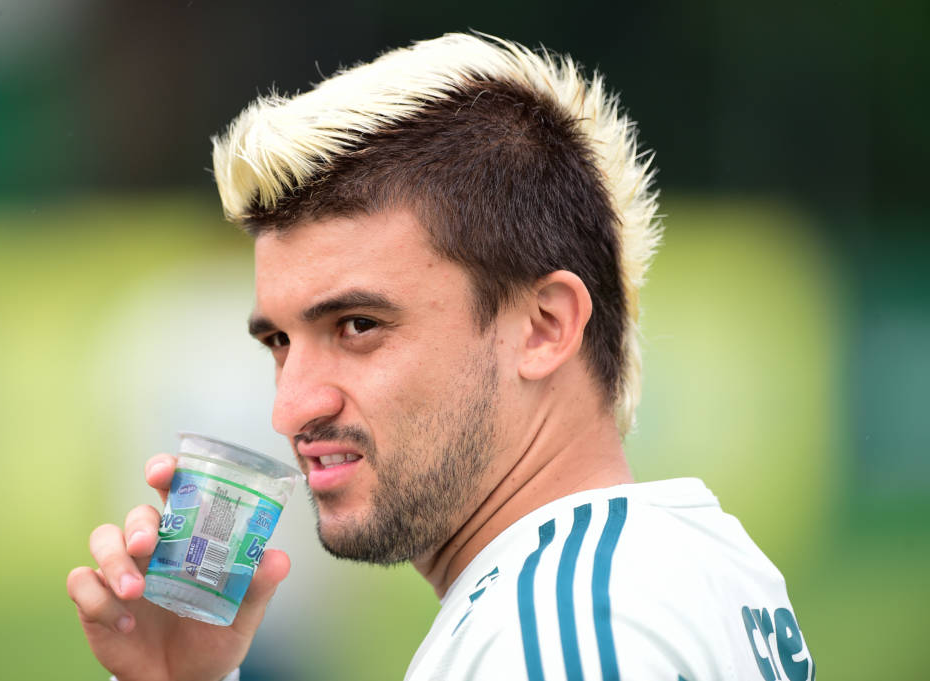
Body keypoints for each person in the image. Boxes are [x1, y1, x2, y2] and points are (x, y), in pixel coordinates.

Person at [67, 33, 815, 681]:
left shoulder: (559, 635)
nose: (289, 409)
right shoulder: (665, 566)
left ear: (543, 327)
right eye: (280, 342)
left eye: (358, 325)